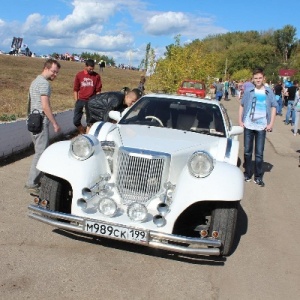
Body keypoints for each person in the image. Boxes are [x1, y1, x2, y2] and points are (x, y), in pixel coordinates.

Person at [25, 59, 61, 194]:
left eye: (57, 72)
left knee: (38, 151)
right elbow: (45, 106)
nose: (55, 75)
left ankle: (35, 180)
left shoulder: (35, 81)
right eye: (54, 71)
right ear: (46, 68)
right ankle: (32, 182)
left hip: (32, 121)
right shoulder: (44, 84)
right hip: (40, 121)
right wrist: (54, 123)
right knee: (41, 153)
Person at [238, 67, 277, 187]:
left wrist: (271, 124)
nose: (258, 80)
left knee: (259, 153)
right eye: (256, 78)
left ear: (263, 78)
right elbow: (242, 105)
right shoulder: (249, 91)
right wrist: (240, 120)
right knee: (247, 152)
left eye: (260, 78)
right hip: (249, 125)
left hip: (262, 127)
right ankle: (248, 173)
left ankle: (258, 177)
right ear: (253, 79)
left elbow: (274, 107)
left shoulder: (269, 92)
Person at [73, 59, 102, 134]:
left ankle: (87, 136)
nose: (91, 70)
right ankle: (82, 132)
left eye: (93, 69)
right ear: (85, 66)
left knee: (90, 121)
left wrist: (96, 101)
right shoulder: (79, 75)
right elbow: (75, 89)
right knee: (76, 121)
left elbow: (98, 90)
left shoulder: (96, 76)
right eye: (90, 69)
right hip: (80, 100)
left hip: (91, 101)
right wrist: (77, 101)